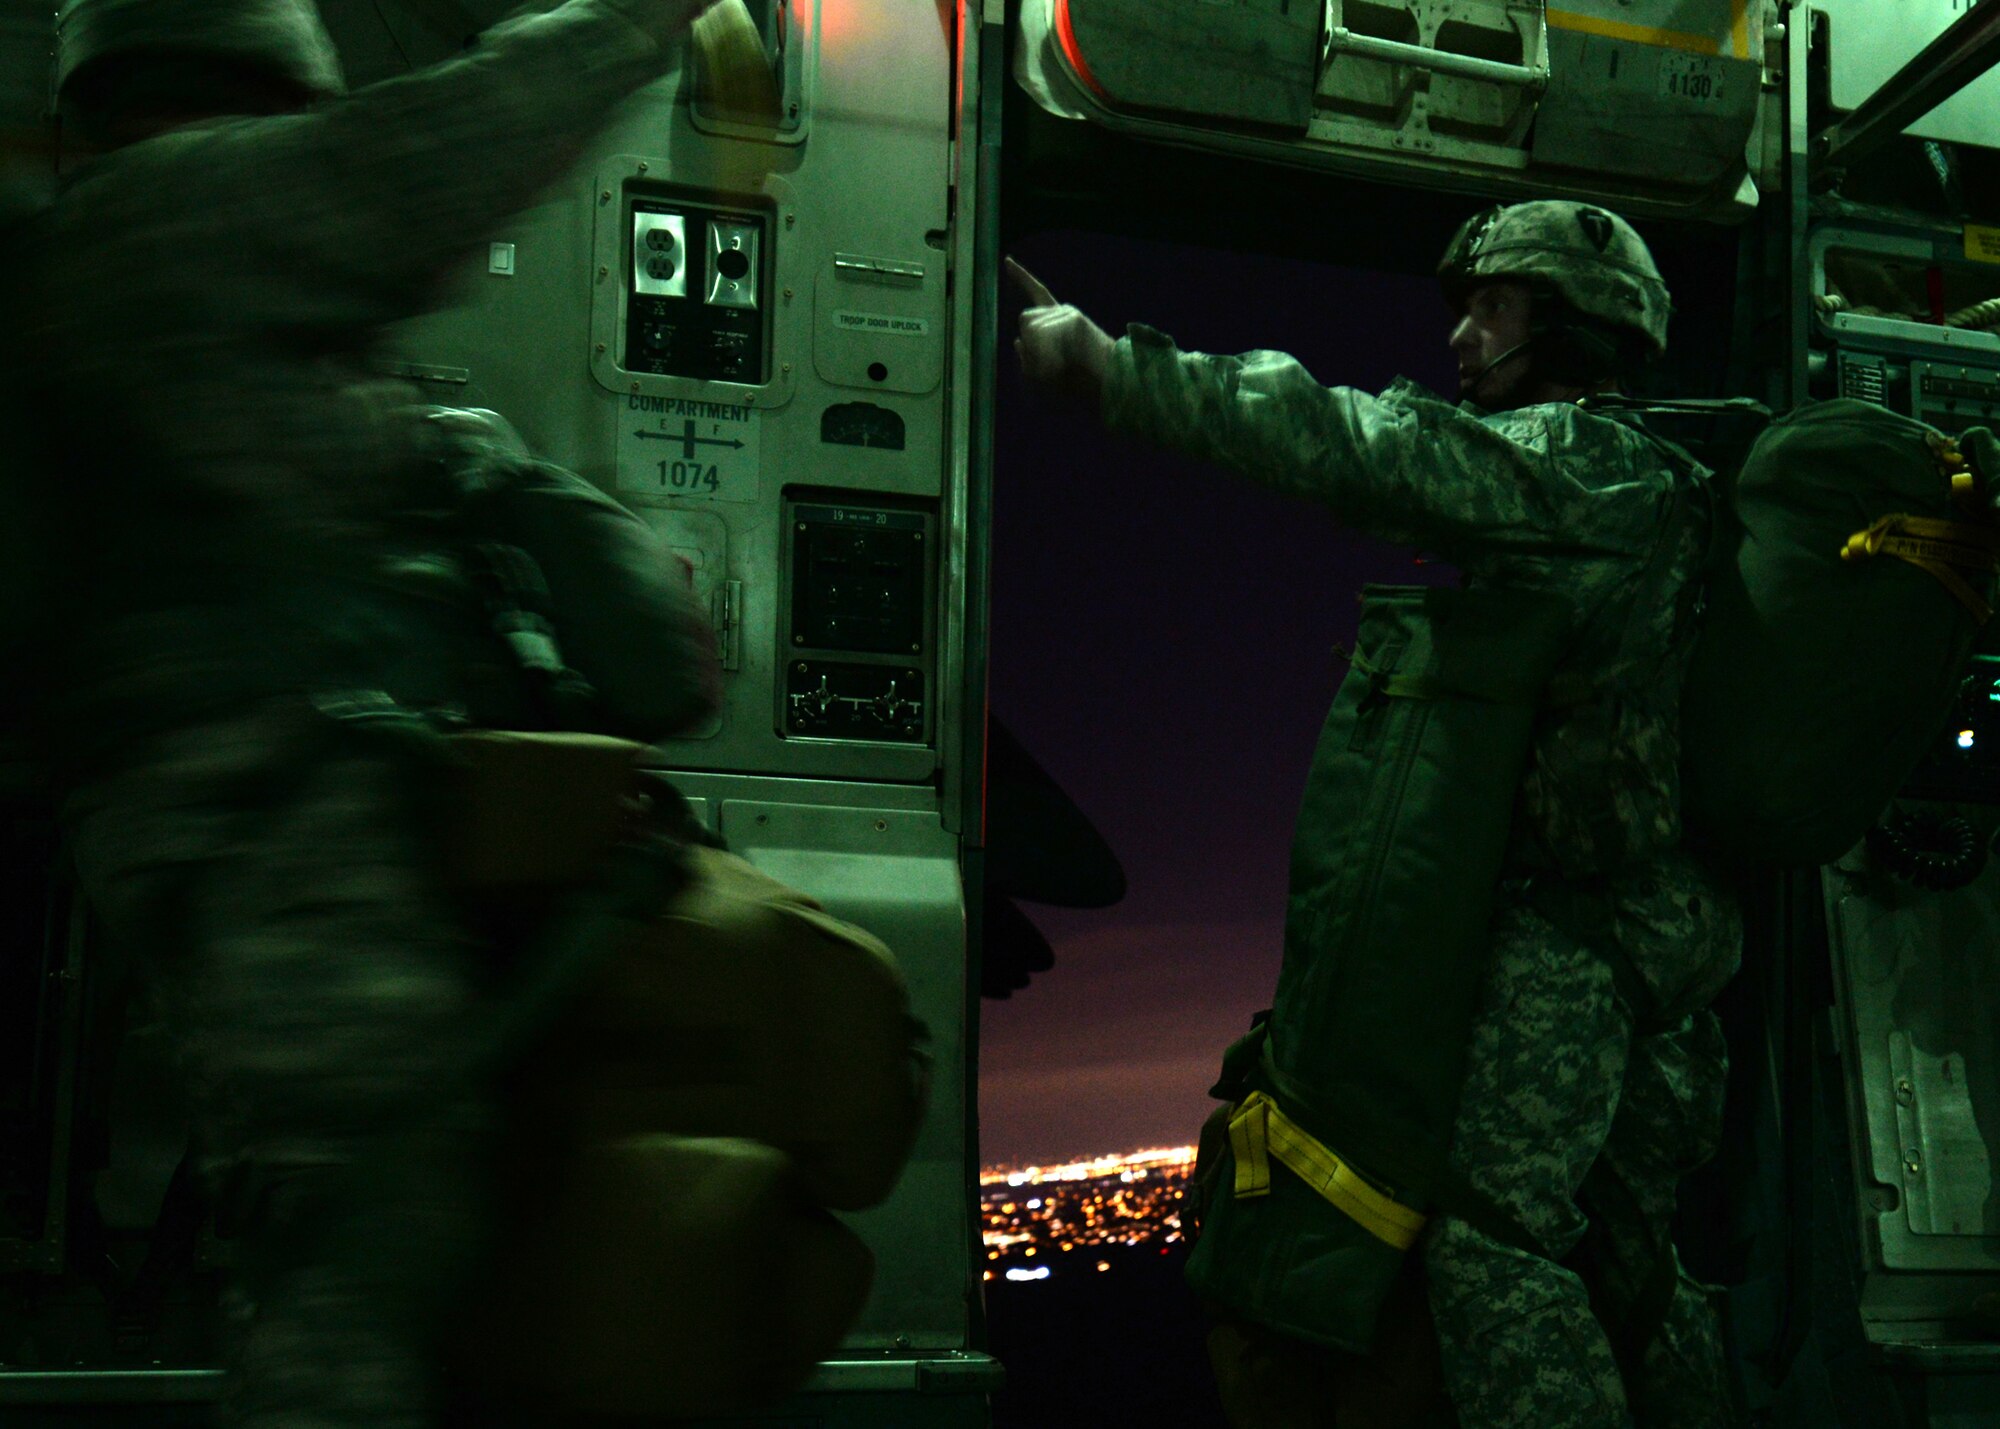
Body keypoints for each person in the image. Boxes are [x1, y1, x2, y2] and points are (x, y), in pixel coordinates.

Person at [16, 1, 725, 1423]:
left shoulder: (146, 269)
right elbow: (421, 164)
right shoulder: (174, 208)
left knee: (396, 1204)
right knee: (373, 1227)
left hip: (241, 814)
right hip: (256, 818)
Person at [1010, 201, 1742, 1428]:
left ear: (1568, 324)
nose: (1460, 335)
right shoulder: (1669, 476)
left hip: (1580, 938)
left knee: (1492, 1250)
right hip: (1666, 932)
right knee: (1631, 1260)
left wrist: (1111, 369)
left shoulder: (1572, 460)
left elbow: (1357, 444)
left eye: (1490, 307)